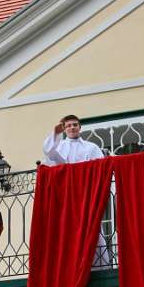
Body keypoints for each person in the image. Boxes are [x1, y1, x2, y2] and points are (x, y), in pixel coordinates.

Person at [42, 114, 109, 267]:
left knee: (92, 227)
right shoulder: (60, 146)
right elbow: (49, 151)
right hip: (67, 194)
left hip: (86, 192)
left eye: (75, 125)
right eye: (68, 125)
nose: (72, 127)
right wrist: (56, 133)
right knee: (69, 230)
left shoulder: (91, 147)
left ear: (80, 127)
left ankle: (100, 265)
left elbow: (101, 167)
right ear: (64, 129)